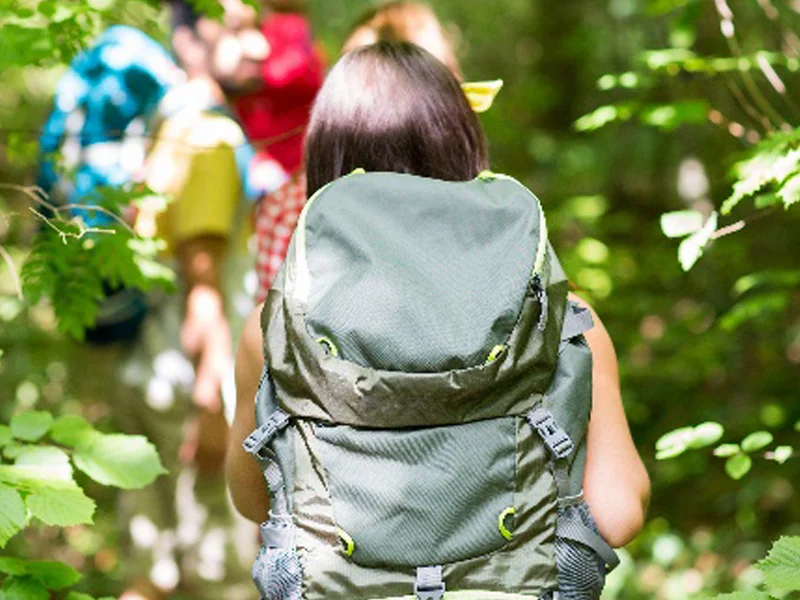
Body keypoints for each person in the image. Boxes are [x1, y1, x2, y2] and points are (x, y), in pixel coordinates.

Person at [228, 41, 649, 574]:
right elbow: (618, 514)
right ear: (463, 146)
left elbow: (255, 500)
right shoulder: (563, 320)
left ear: (326, 158)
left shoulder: (274, 330)